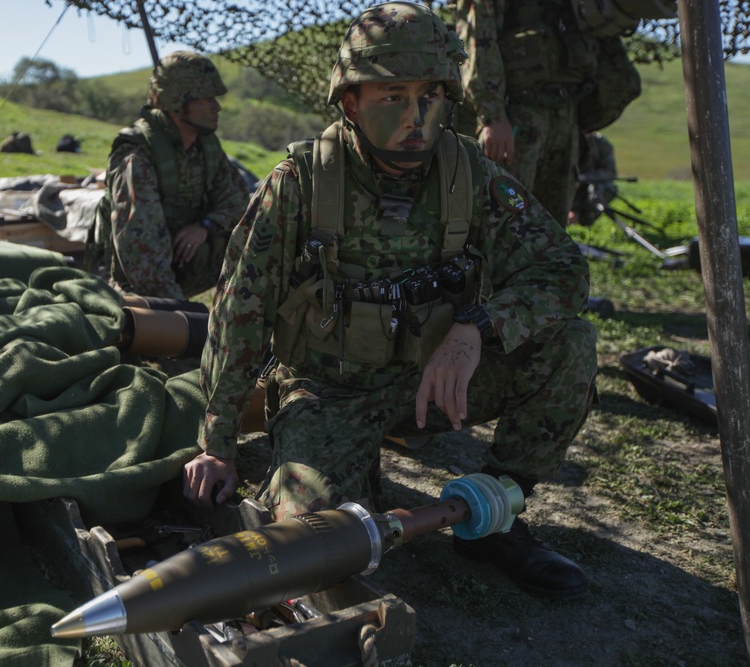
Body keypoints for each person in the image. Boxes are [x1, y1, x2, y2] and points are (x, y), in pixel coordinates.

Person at [183, 2, 598, 600]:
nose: (416, 116)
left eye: (430, 95)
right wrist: (217, 444)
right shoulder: (301, 183)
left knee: (569, 344)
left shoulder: (470, 173)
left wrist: (476, 327)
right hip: (328, 391)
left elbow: (562, 269)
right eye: (393, 95)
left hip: (431, 382)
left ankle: (496, 510)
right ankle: (347, 472)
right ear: (350, 101)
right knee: (314, 541)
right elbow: (237, 314)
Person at [95, 50, 249, 300]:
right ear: (177, 104)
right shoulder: (137, 157)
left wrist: (205, 226)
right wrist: (182, 314)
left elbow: (240, 204)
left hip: (176, 267)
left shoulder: (206, 147)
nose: (216, 107)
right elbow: (142, 257)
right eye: (205, 99)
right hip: (131, 281)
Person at [453, 0, 602, 227]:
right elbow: (477, 42)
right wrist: (492, 115)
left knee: (552, 228)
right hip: (516, 114)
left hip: (565, 114)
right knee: (502, 221)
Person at [569, 131, 618, 227]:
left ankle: (581, 216)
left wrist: (585, 177)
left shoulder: (601, 143)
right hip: (568, 184)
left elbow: (610, 172)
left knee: (606, 188)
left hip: (590, 186)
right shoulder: (569, 139)